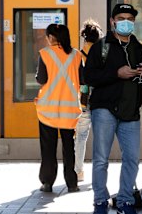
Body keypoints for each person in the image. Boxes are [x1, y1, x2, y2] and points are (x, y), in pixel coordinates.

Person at [84, 3, 142, 214]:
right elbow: (88, 77)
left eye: (130, 19)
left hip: (130, 112)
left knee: (132, 159)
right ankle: (100, 200)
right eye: (121, 18)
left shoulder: (139, 48)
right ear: (112, 21)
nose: (126, 22)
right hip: (104, 109)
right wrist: (117, 73)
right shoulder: (101, 47)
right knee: (100, 159)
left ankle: (125, 200)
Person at [35, 23, 83, 194]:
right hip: (69, 111)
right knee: (69, 148)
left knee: (48, 148)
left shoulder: (45, 54)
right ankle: (72, 183)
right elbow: (82, 80)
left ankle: (47, 182)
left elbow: (41, 79)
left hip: (48, 110)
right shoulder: (76, 55)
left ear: (50, 37)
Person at [75, 19, 103, 182]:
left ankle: (79, 171)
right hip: (102, 101)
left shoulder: (78, 55)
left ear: (84, 37)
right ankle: (98, 175)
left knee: (81, 137)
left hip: (84, 101)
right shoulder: (103, 54)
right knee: (101, 139)